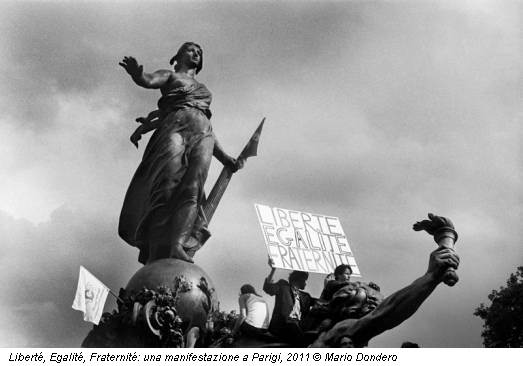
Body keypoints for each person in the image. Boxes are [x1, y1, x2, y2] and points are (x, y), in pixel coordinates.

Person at [118, 42, 241, 264]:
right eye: (191, 50)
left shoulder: (203, 90)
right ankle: (155, 248)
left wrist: (225, 158)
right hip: (174, 130)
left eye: (199, 52)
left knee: (193, 189)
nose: (196, 54)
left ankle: (177, 245)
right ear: (178, 55)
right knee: (166, 188)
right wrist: (137, 75)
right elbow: (149, 80)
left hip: (203, 135)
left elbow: (207, 124)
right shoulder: (170, 76)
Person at [310, 213, 460, 347]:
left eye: (375, 304)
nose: (374, 308)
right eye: (369, 304)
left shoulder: (344, 335)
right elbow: (388, 311)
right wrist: (431, 277)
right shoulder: (340, 331)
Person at [263, 258, 315, 346]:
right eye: (305, 280)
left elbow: (320, 303)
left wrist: (327, 285)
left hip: (299, 325)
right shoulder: (283, 286)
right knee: (294, 328)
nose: (306, 283)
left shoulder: (306, 296)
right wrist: (273, 270)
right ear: (298, 279)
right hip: (283, 324)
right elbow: (268, 288)